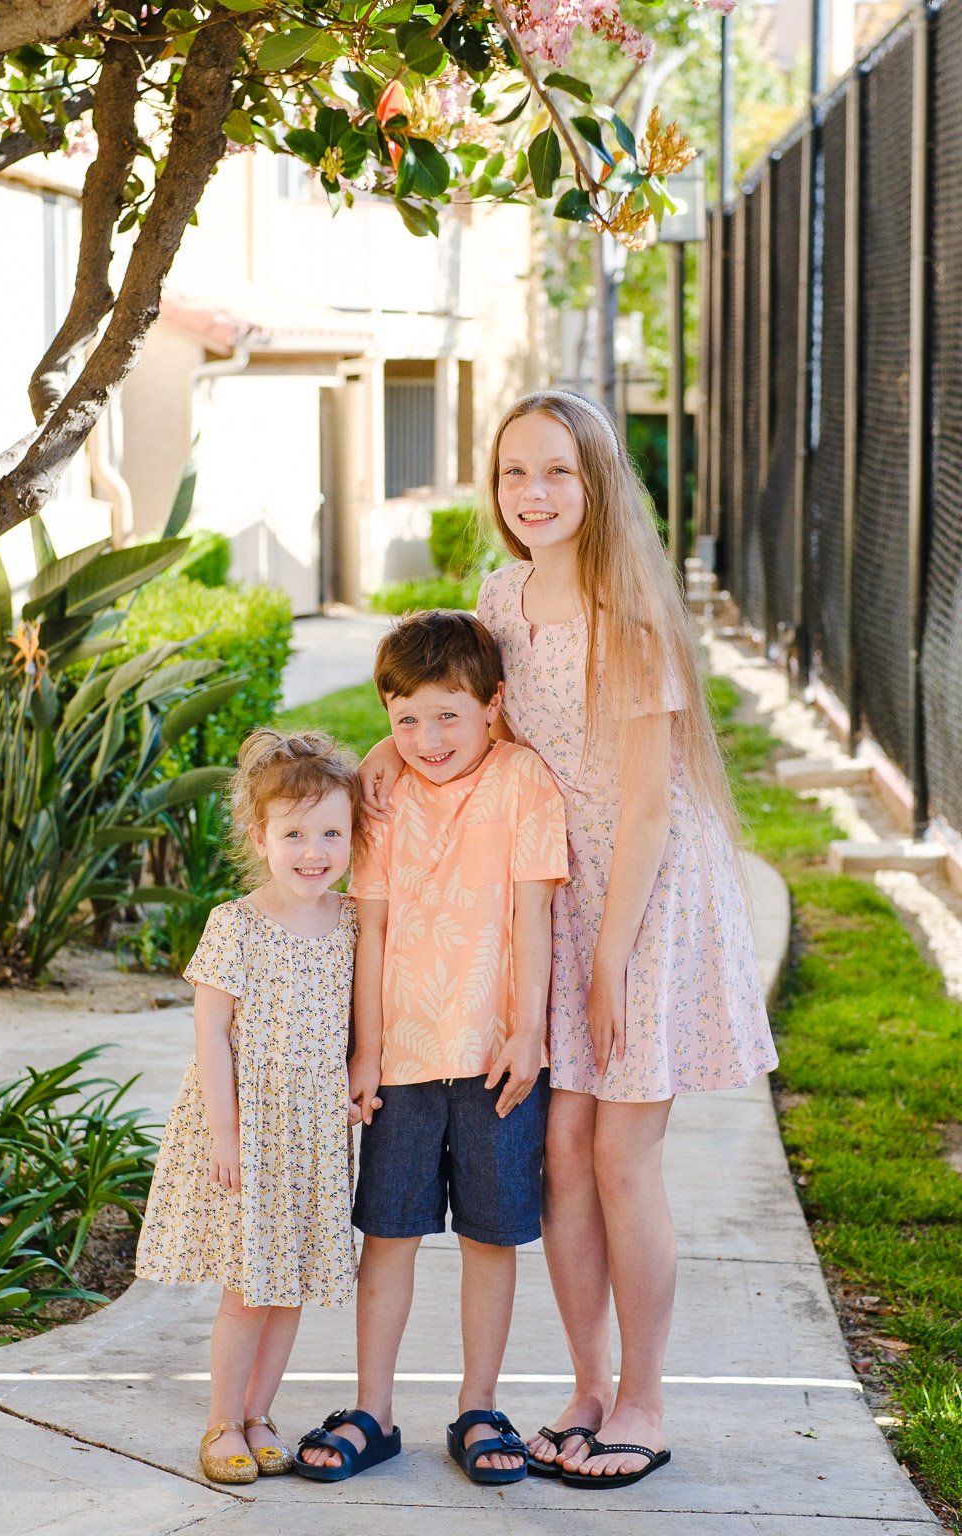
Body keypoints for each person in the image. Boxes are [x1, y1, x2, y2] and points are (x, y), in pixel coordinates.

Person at [359, 391, 777, 1492]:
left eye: (555, 473)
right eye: (512, 475)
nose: (532, 494)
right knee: (556, 1165)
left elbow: (644, 813)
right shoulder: (501, 591)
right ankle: (588, 1387)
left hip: (645, 904)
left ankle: (644, 1399)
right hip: (552, 893)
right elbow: (460, 700)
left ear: (594, 483)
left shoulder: (629, 612)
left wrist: (605, 967)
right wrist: (378, 754)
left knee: (619, 1160)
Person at [294, 609, 569, 1487]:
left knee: (492, 1239)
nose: (427, 737)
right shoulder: (383, 799)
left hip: (497, 1060)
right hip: (403, 1063)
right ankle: (372, 1411)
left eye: (449, 714)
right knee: (390, 1233)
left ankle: (479, 1406)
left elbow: (533, 917)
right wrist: (363, 1053)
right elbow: (369, 934)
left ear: (495, 706)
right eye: (406, 717)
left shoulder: (525, 781)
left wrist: (529, 1035)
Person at [135, 729, 365, 1485]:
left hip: (315, 1133)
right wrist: (227, 1133)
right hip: (251, 1129)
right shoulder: (236, 923)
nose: (313, 851)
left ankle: (262, 1412)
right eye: (293, 833)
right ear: (258, 836)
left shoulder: (352, 922)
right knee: (246, 1288)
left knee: (290, 1281)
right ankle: (219, 1423)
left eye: (331, 832)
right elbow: (209, 1032)